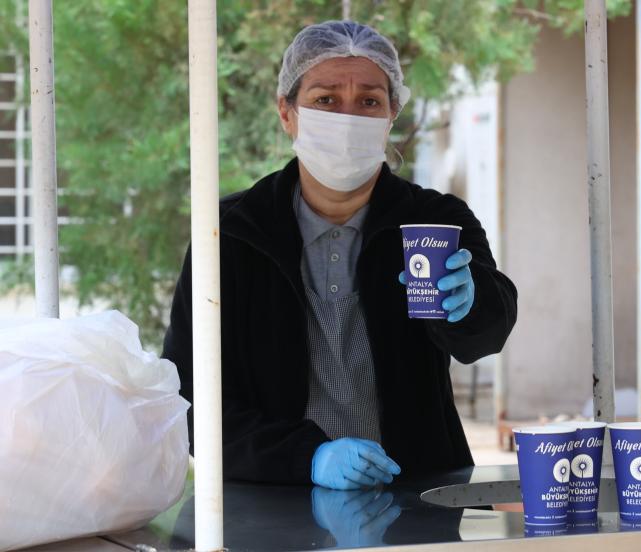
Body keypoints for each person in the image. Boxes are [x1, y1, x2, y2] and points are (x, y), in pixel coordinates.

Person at [163, 20, 517, 491]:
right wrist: (305, 458)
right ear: (286, 112)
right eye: (326, 100)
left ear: (392, 113)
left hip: (416, 497)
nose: (348, 119)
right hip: (273, 500)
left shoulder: (434, 220)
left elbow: (486, 337)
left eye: (369, 101)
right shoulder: (230, 233)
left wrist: (472, 304)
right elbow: (189, 399)